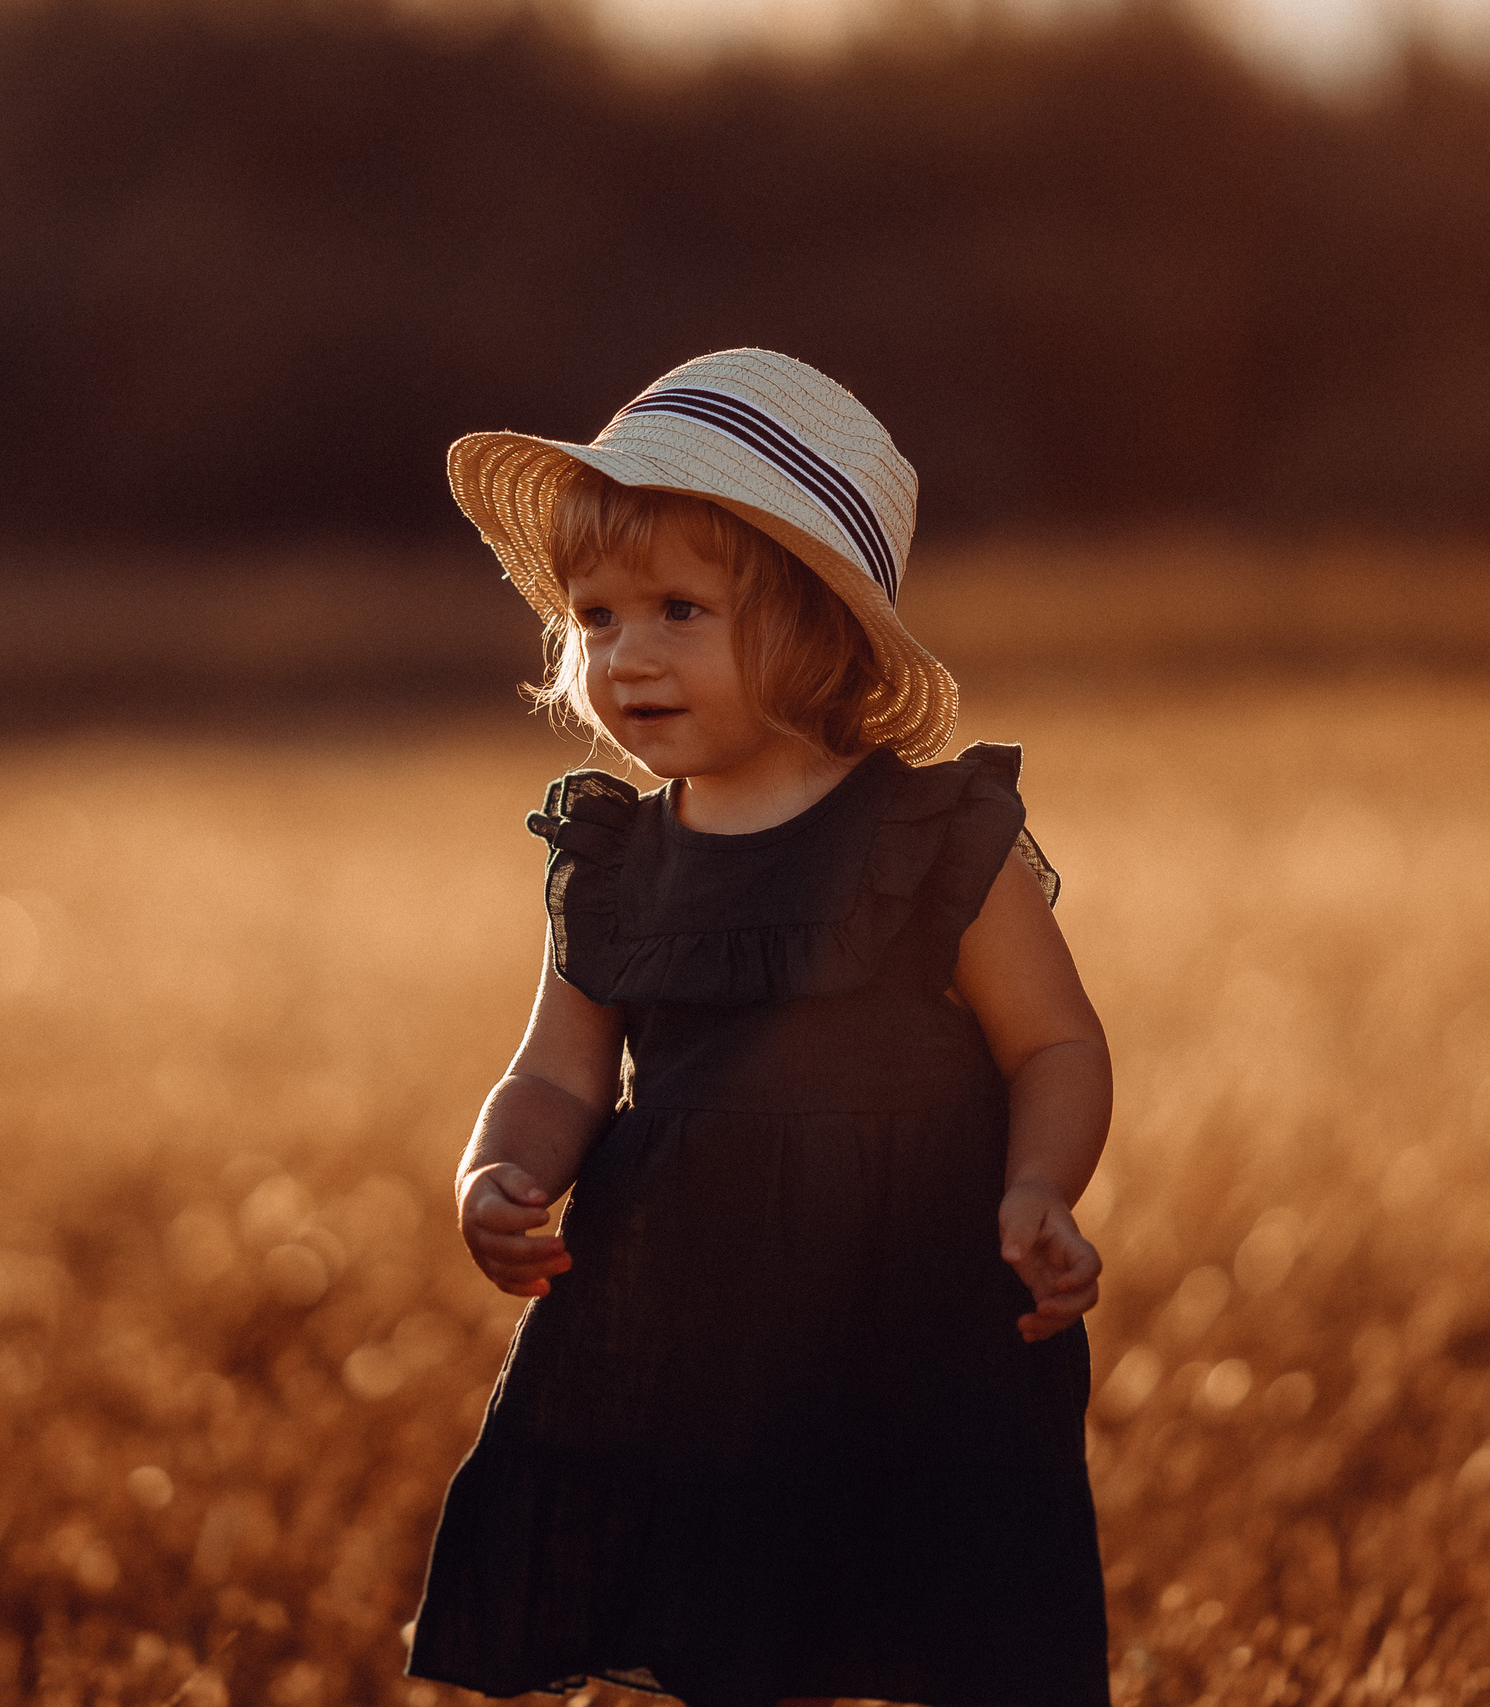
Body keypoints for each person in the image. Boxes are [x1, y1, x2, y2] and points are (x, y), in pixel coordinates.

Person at [407, 349, 1111, 1707]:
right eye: (597, 616)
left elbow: (1055, 1044)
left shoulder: (935, 839)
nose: (629, 653)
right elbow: (554, 1071)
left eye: (681, 608)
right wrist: (496, 1173)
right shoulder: (614, 861)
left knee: (944, 1625)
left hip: (922, 1322)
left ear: (818, 628)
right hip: (690, 1330)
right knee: (718, 1639)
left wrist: (1040, 1186)